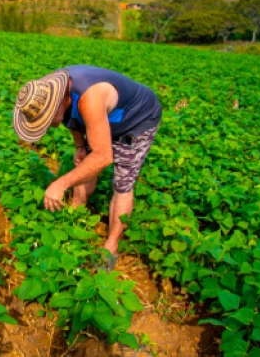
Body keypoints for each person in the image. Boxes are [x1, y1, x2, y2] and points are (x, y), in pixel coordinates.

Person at [12, 65, 162, 271]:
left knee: (122, 182)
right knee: (84, 164)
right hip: (100, 118)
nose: (49, 127)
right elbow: (71, 118)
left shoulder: (89, 99)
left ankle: (112, 246)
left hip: (137, 119)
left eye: (46, 121)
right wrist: (80, 145)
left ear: (57, 104)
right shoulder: (46, 89)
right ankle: (76, 216)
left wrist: (61, 183)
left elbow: (103, 157)